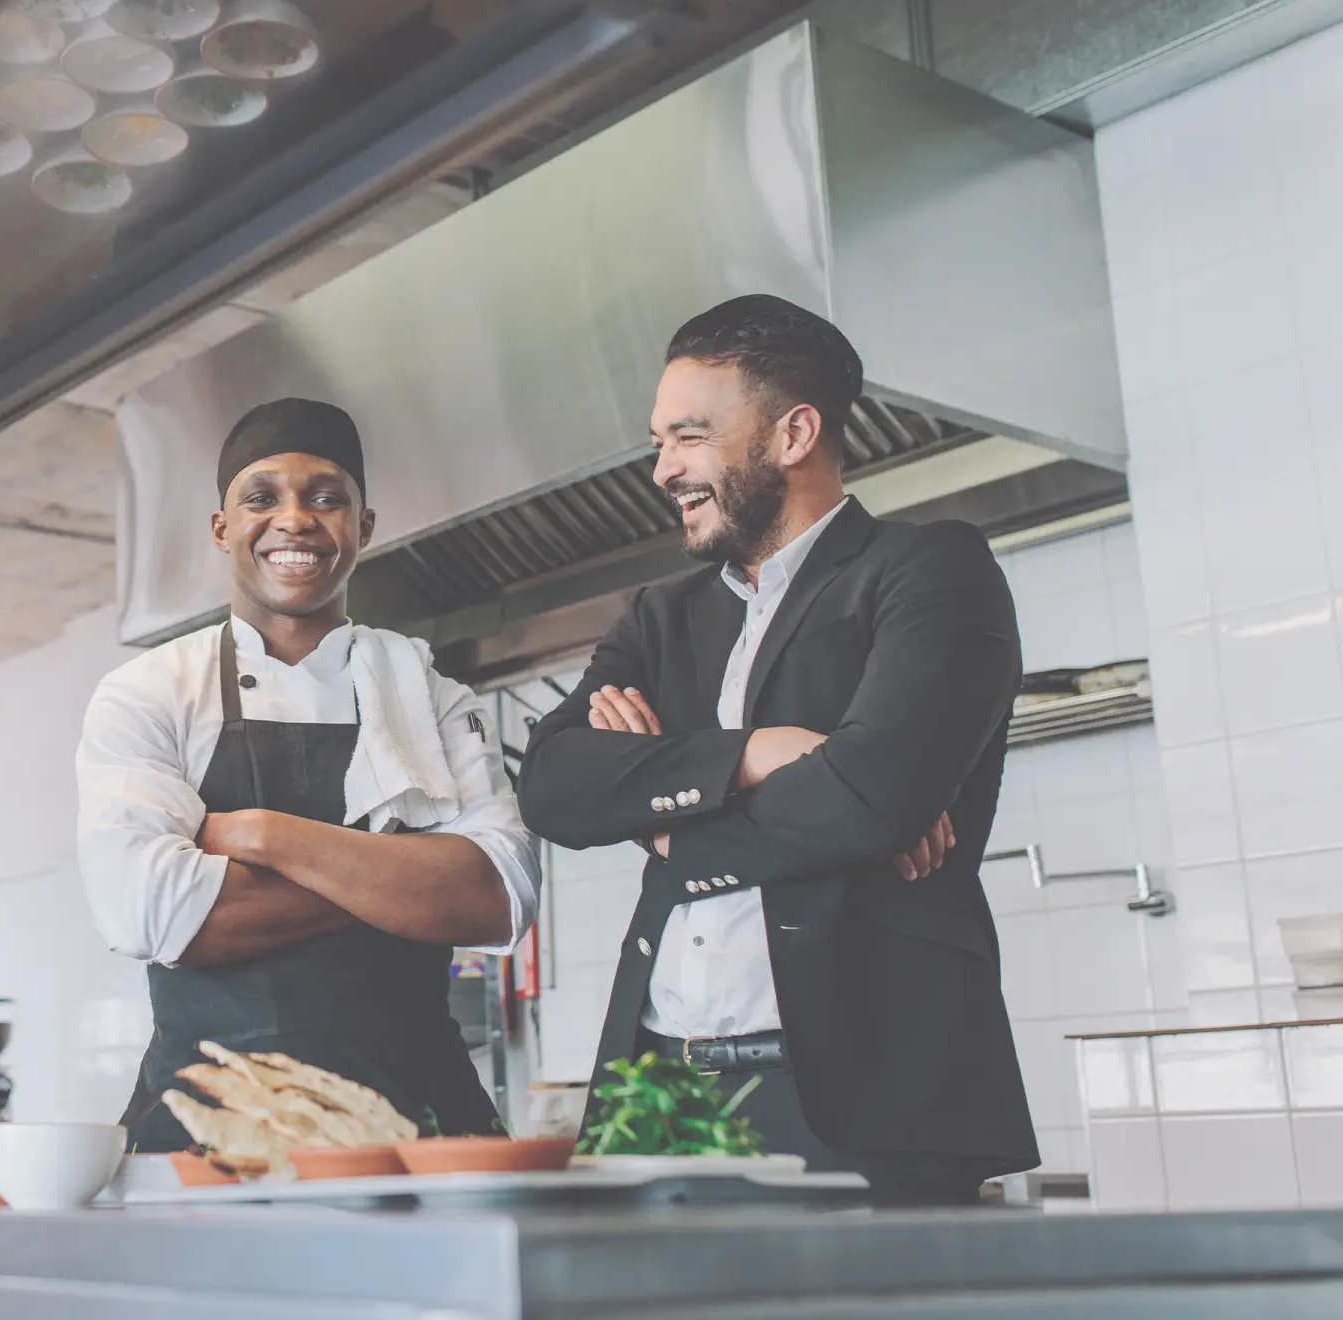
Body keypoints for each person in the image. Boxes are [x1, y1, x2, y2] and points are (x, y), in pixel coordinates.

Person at [516, 295, 1038, 1205]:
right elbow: (555, 788)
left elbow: (871, 795)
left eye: (688, 437)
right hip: (663, 1091)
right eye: (658, 442)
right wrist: (751, 756)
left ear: (793, 433)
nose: (662, 469)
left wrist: (667, 826)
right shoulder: (662, 618)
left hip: (864, 1096)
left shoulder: (928, 570)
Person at [77, 397, 540, 1150]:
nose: (295, 518)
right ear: (223, 529)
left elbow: (497, 896)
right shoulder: (151, 691)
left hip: (416, 1124)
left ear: (363, 527)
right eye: (262, 497)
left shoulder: (432, 695)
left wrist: (261, 835)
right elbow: (152, 916)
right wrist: (403, 875)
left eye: (326, 497)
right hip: (209, 1126)